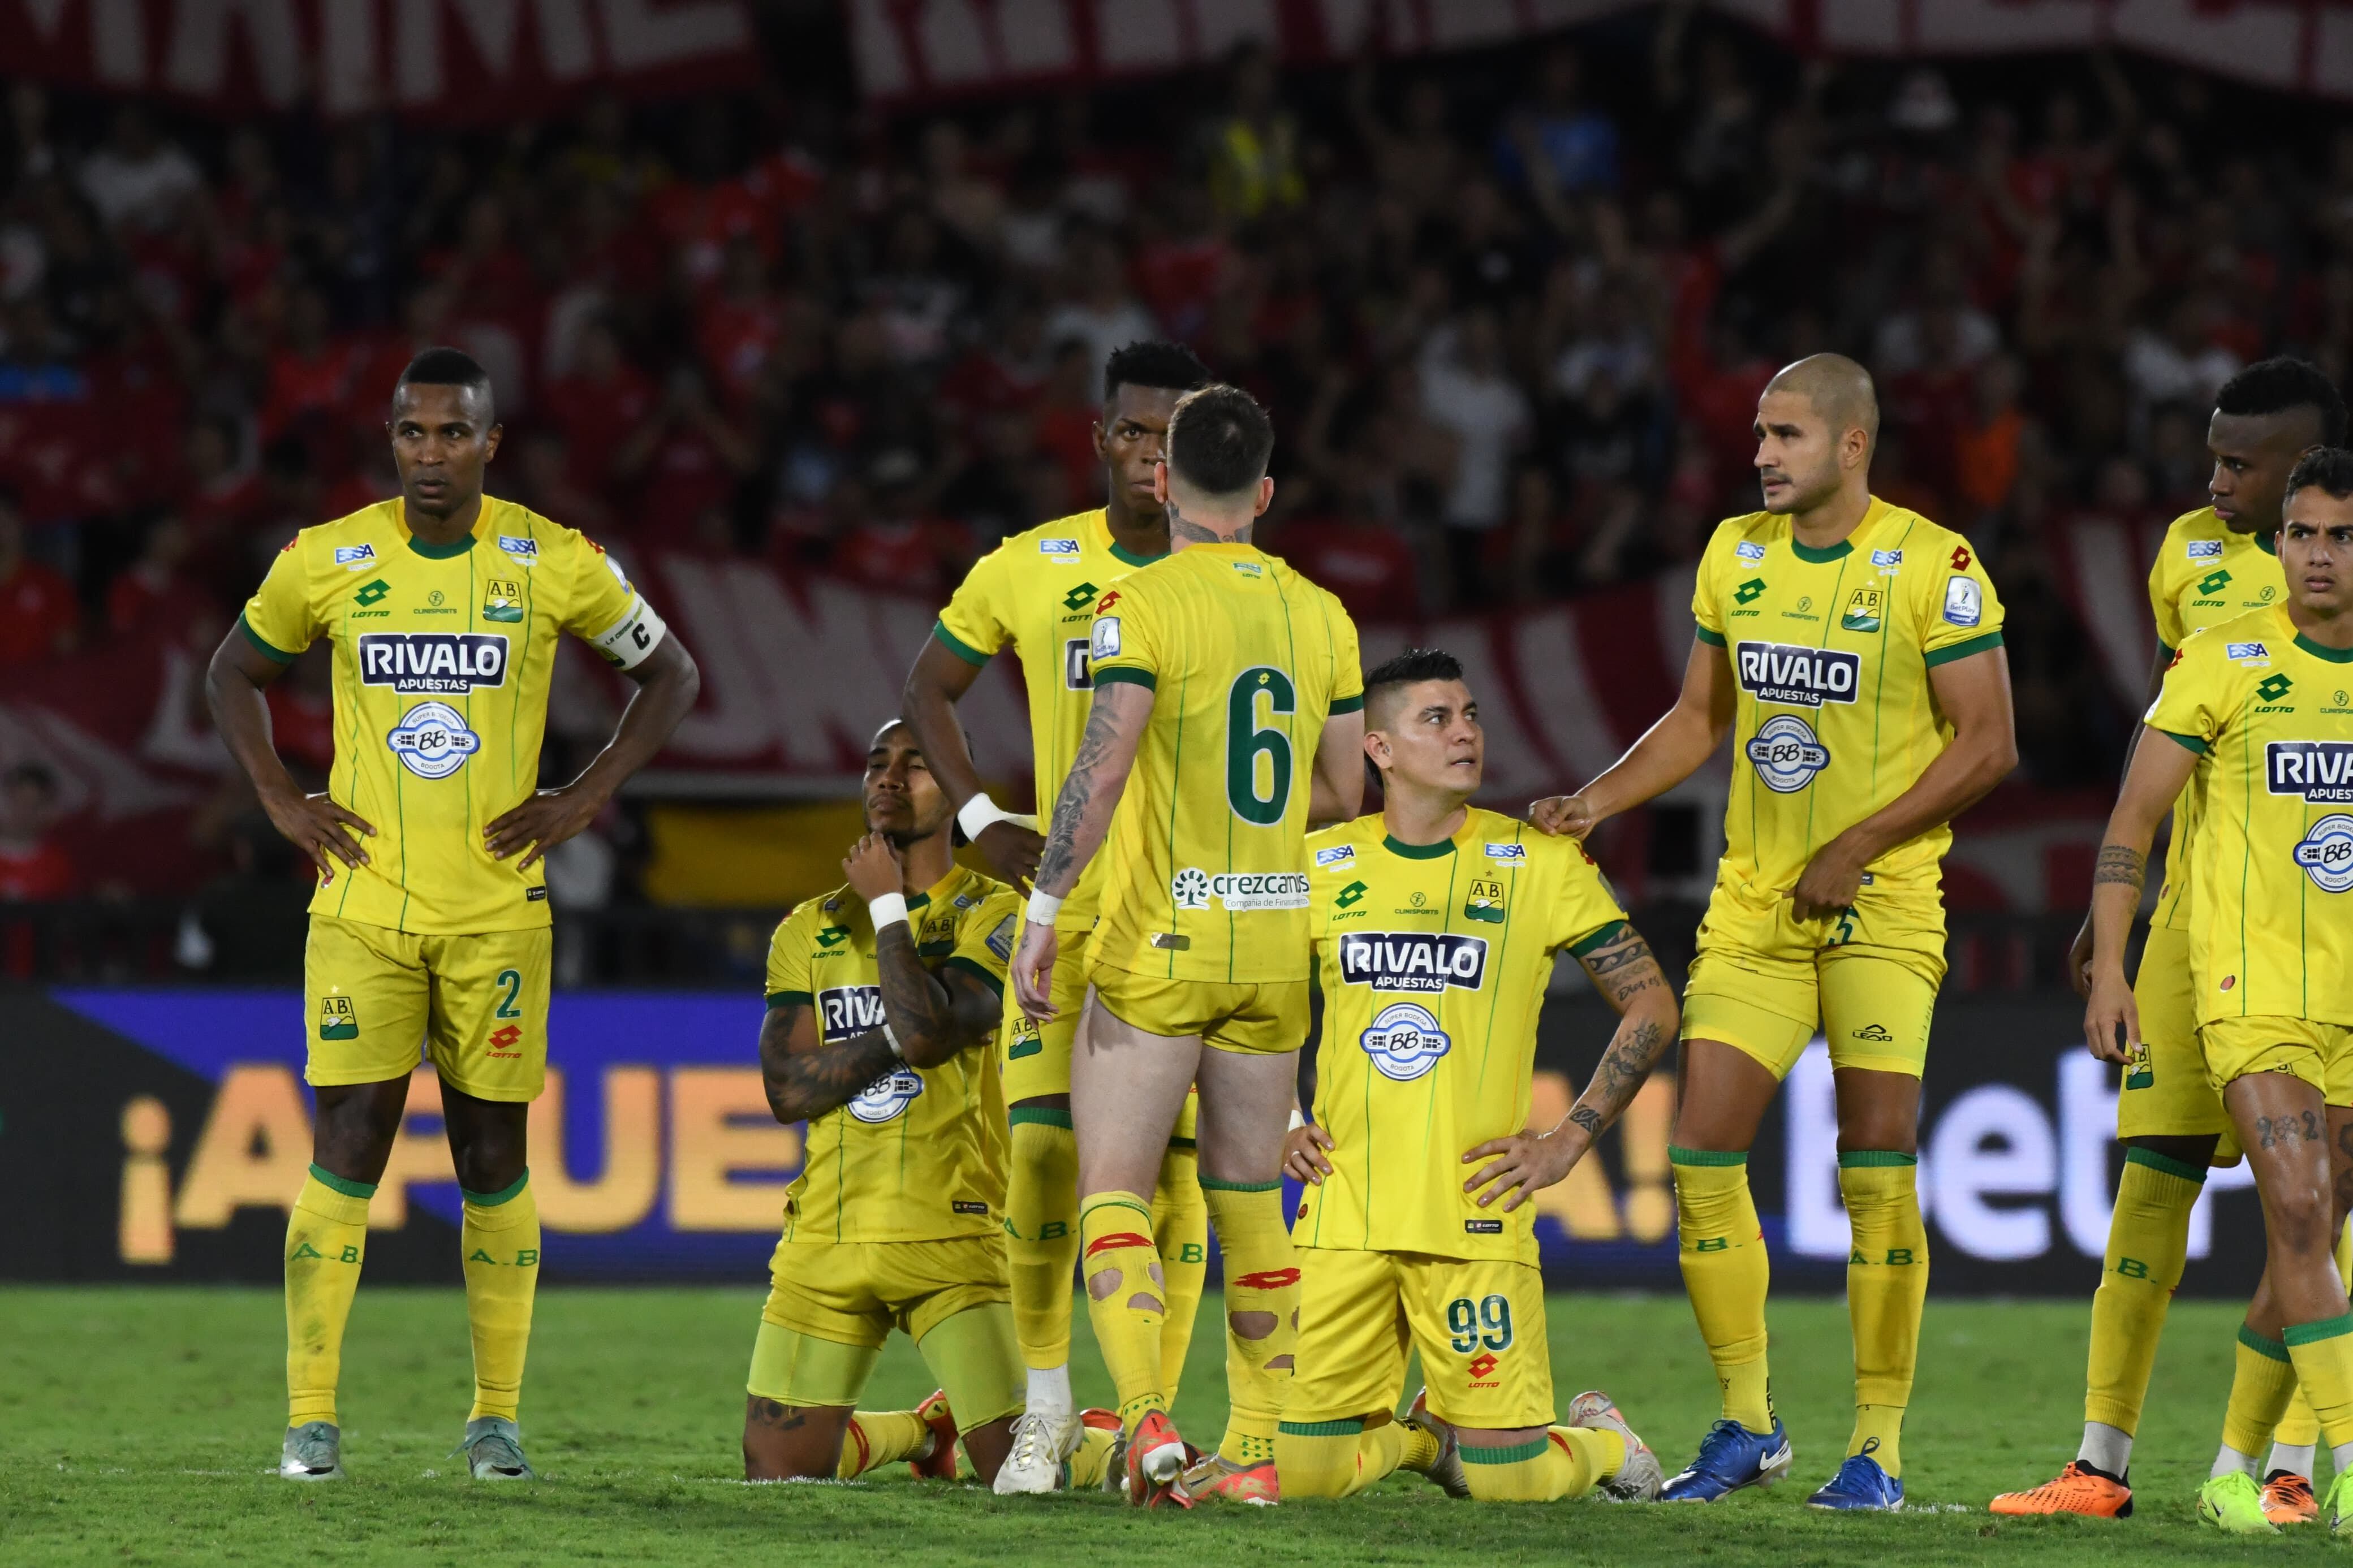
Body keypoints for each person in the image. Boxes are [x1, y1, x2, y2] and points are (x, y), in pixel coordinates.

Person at [205, 347, 700, 1484]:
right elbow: (232, 671)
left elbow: (671, 672)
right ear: (391, 439)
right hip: (363, 908)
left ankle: (495, 1418)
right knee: (345, 1149)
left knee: (492, 1158)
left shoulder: (550, 558)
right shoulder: (329, 558)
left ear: (491, 443)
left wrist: (588, 796)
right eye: (412, 432)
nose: (431, 452)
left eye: (452, 432)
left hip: (497, 918)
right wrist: (280, 797)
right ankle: (312, 1418)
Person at [1531, 353, 2017, 1510]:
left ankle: (1879, 1450)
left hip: (1882, 910)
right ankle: (1748, 1422)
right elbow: (1700, 717)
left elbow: (1988, 743)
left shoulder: (1931, 564)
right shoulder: (1733, 555)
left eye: (1786, 435)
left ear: (1851, 446)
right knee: (1700, 1161)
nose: (1760, 454)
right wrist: (1595, 799)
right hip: (1754, 908)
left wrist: (1858, 844)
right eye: (1757, 433)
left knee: (1875, 1168)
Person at [1992, 357, 2349, 1522]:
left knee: (2319, 1203)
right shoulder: (2188, 561)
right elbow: (2163, 755)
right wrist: (2121, 927)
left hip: (2319, 937)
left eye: (2242, 462)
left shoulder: (2328, 562)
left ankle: (2287, 1463)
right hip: (2204, 928)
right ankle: (2100, 1462)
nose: (2216, 480)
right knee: (2155, 1186)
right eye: (2215, 456)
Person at [1009, 383, 1365, 1505]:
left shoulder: (1140, 601)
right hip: (1273, 943)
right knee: (1249, 1196)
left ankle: (1146, 1418)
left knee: (1113, 1183)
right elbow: (1343, 795)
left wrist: (1043, 910)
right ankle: (1258, 1449)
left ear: (1165, 480)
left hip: (1161, 942)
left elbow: (1101, 770)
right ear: (1264, 492)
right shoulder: (1325, 616)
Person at [900, 340, 1217, 1495]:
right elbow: (926, 686)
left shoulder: (1235, 578)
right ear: (1101, 438)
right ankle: (1041, 1412)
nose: (1153, 455)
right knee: (1040, 1155)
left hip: (1187, 906)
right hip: (1062, 903)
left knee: (1173, 1176)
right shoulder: (1030, 568)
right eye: (1136, 432)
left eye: (1177, 434)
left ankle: (1148, 1421)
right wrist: (982, 816)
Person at [1274, 647, 1674, 1504]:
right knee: (1306, 1478)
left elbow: (1652, 1006)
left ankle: (1604, 1440)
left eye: (1472, 715)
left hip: (1474, 1214)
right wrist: (1283, 1115)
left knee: (1514, 1485)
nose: (1466, 734)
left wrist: (1569, 1139)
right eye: (1438, 719)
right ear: (1378, 749)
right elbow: (1249, 1007)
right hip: (1344, 1209)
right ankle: (1426, 1439)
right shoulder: (1320, 864)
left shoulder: (1537, 863)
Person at [2080, 448, 2353, 1535]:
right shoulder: (2224, 660)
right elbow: (2131, 823)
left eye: (2340, 535)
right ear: (2277, 543)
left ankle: (2237, 1466)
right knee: (2293, 1204)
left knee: (2319, 1224)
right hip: (2249, 989)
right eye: (2303, 534)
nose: (2317, 555)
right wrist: (2110, 960)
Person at [742, 720, 1117, 1489]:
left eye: (916, 765)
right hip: (827, 1239)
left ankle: (1124, 1446)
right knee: (779, 1469)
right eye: (878, 762)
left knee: (1013, 1468)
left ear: (955, 791)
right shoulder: (808, 927)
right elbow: (786, 1089)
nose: (889, 776)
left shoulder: (998, 914)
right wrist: (906, 1020)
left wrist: (888, 913)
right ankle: (919, 1430)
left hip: (952, 1232)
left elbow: (932, 1035)